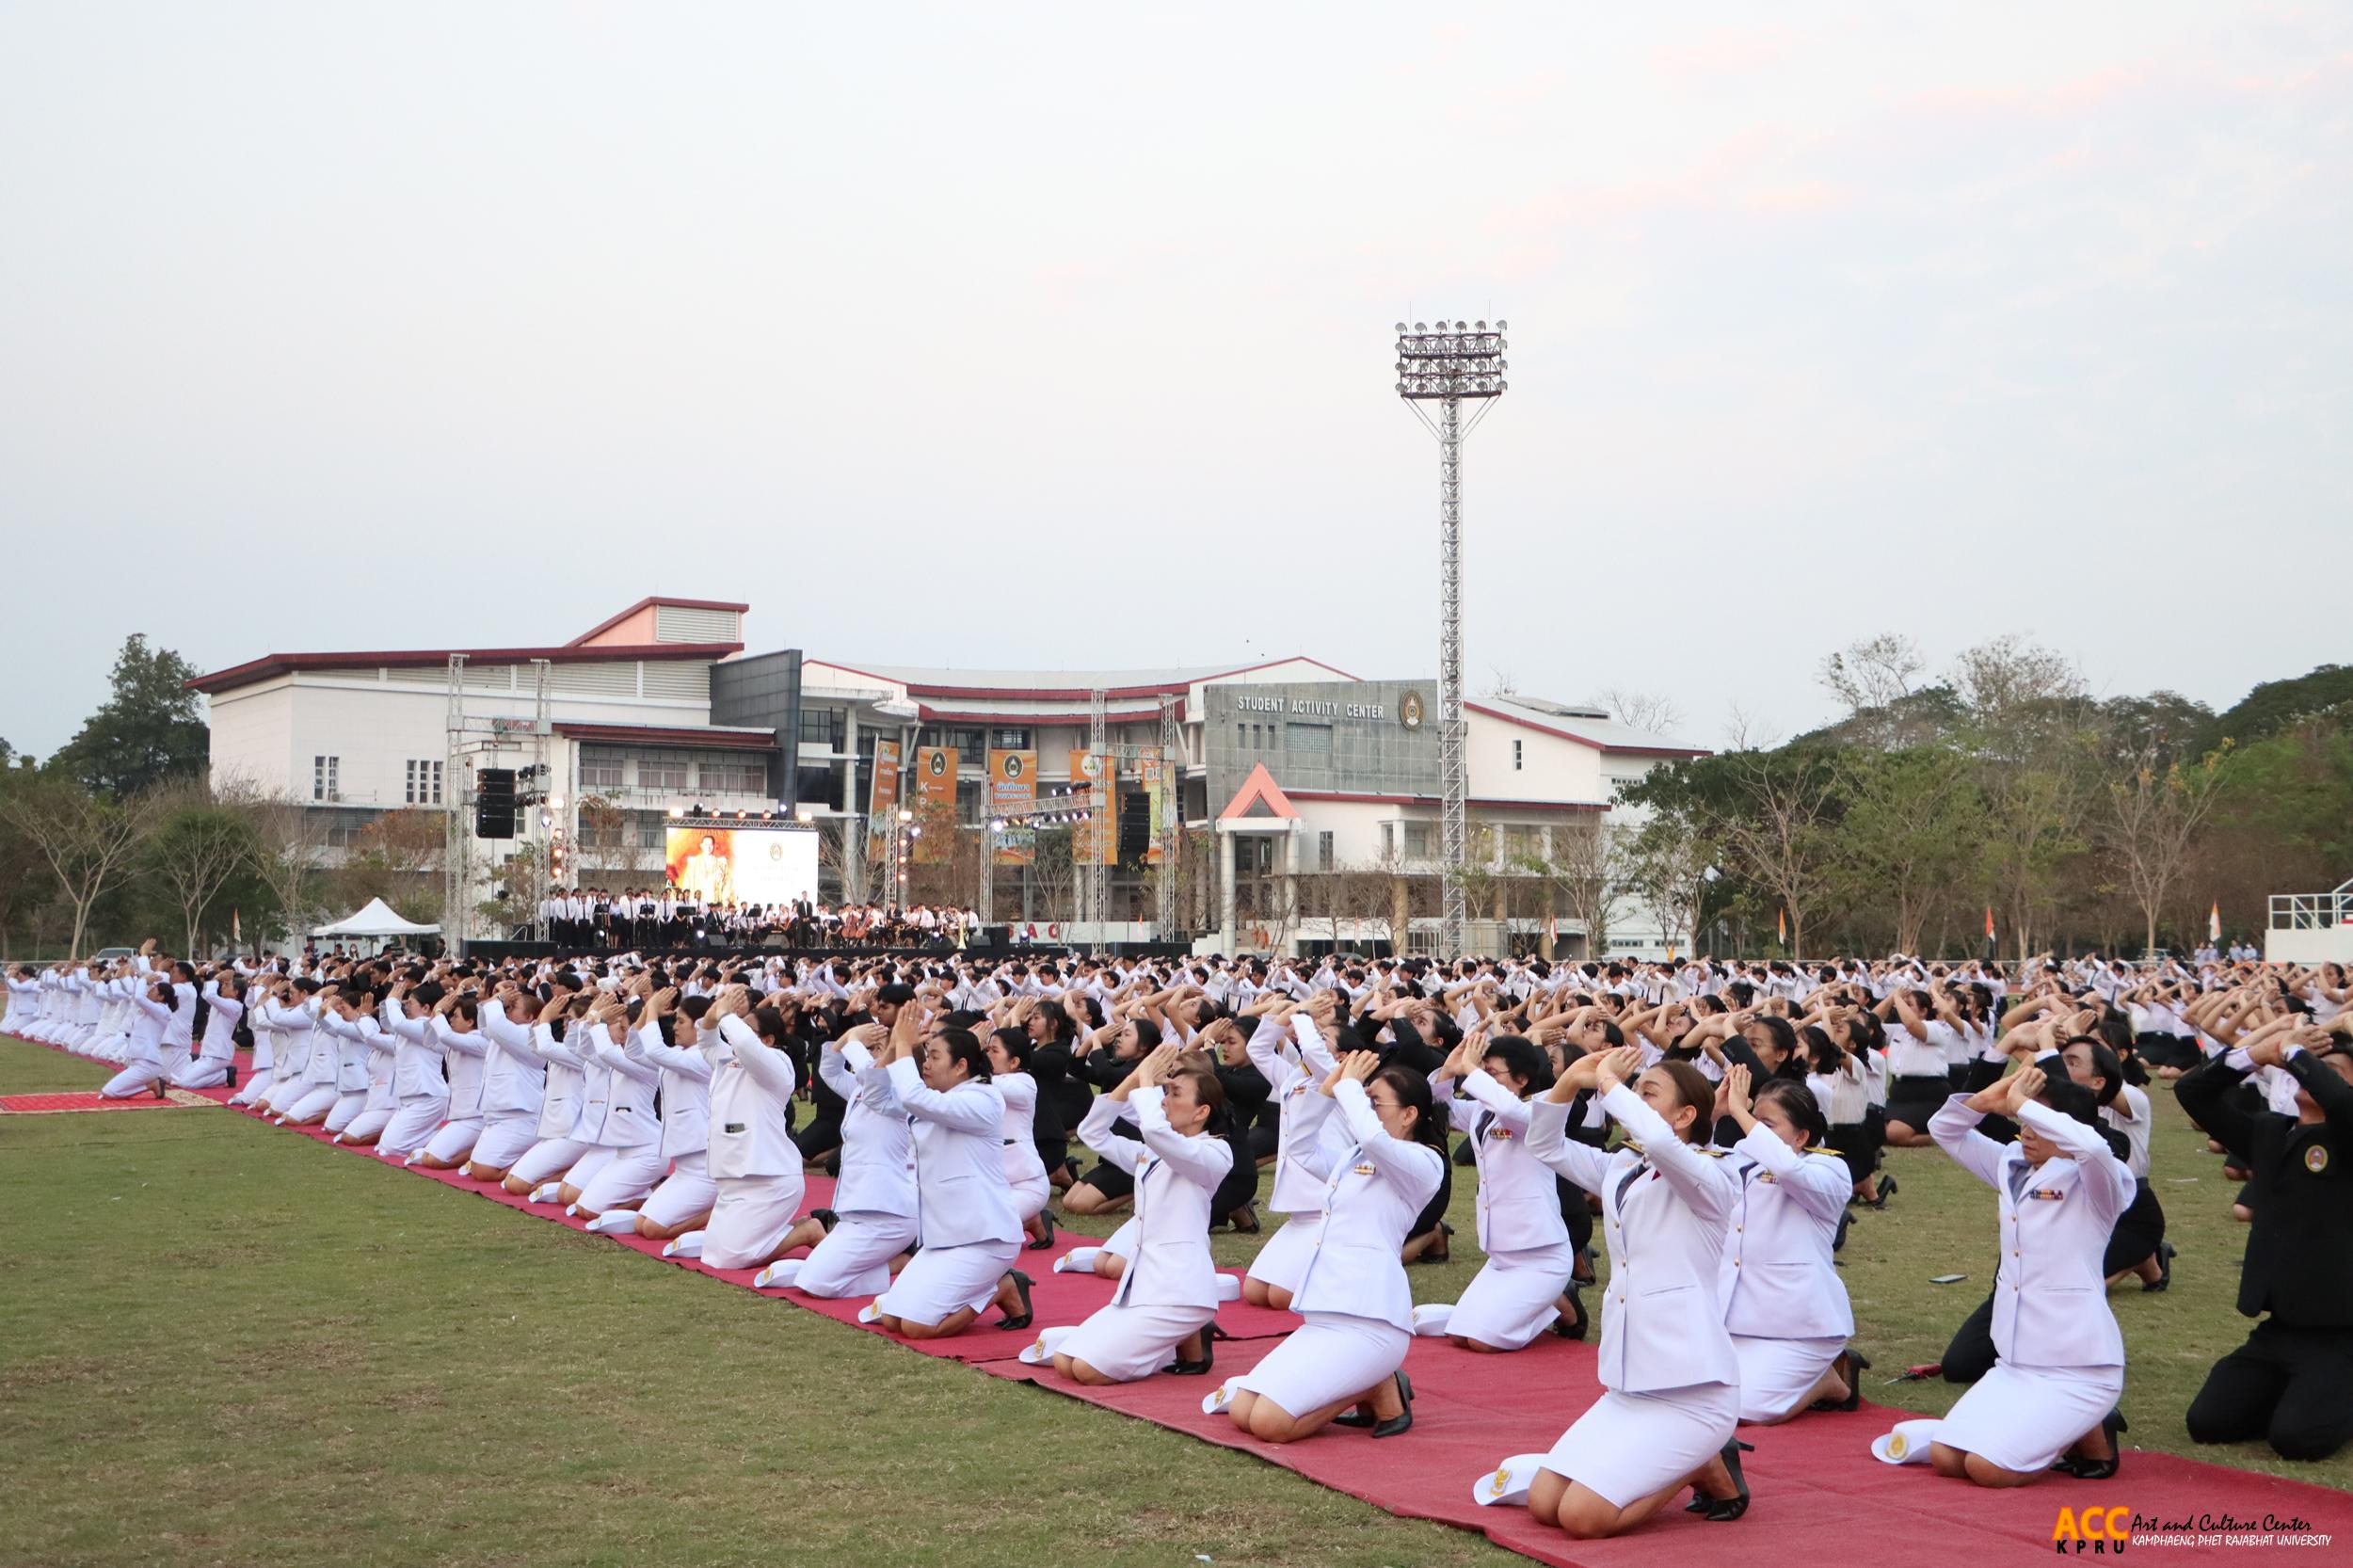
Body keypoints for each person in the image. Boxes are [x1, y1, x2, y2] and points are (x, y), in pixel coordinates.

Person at [1513, 1046, 1749, 1538]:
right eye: (1633, 1090)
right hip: (1630, 1383)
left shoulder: (1716, 1174)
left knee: (1583, 1518)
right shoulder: (1624, 1166)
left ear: (1685, 1115)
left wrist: (1609, 1086)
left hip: (1693, 1390)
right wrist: (1569, 1084)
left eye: (1647, 1092)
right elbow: (1545, 1145)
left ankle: (1702, 1463)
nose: (1629, 1099)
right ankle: (1698, 1465)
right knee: (1543, 1502)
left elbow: (1663, 1144)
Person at [1927, 1065, 2137, 1485]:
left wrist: (2024, 1103)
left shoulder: (2099, 1180)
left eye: (2036, 1121)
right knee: (1945, 1458)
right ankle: (2084, 1432)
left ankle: (2087, 1430)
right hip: (2017, 1361)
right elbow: (1944, 1130)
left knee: (1986, 1470)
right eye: (2022, 1121)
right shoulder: (2011, 1162)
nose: (2025, 1130)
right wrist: (1985, 1102)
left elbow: (2094, 1148)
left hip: (2079, 1364)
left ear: (2068, 1127)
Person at [1225, 1051, 1445, 1444]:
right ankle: (1370, 1386)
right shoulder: (1352, 1158)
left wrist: (1347, 1089)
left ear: (1409, 1115)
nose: (1365, 1104)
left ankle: (1373, 1385)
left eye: (1375, 1101)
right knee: (1243, 1410)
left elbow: (1375, 1139)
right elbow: (1302, 1150)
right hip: (1325, 1314)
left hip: (1371, 1323)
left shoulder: (1424, 1162)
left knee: (1269, 1425)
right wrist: (1325, 1095)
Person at [2179, 1026, 2353, 1461]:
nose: (2308, 1077)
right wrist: (2256, 1054)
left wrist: (2295, 1051)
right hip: (2280, 1328)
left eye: (2326, 1071)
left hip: (2340, 1332)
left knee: (2298, 1440)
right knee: (2209, 1423)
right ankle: (2306, 1393)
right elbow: (2192, 1092)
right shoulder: (2273, 1132)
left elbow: (2345, 1105)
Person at [1043, 1043, 1230, 1384]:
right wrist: (1132, 1078)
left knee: (1086, 1370)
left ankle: (1179, 1340)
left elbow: (1157, 1133)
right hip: (1143, 1289)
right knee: (1065, 1359)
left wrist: (1147, 1080)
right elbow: (1092, 1133)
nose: (1164, 1099)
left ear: (1202, 1111)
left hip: (1180, 1294)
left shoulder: (1215, 1152)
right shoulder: (1153, 1154)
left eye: (1175, 1093)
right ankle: (1178, 1345)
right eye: (1164, 1091)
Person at [858, 1010, 1034, 1338]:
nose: (925, 1063)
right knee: (892, 1319)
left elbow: (913, 1096)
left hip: (985, 1237)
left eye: (934, 1056)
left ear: (961, 1066)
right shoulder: (936, 1099)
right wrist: (894, 1049)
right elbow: (875, 1097)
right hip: (943, 1237)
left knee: (919, 1327)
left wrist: (902, 1042)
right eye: (925, 1055)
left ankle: (1001, 1287)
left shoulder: (983, 1099)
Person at [1411, 1030, 1582, 1350]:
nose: (1481, 1077)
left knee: (1484, 1341)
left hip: (1541, 1253)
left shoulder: (1542, 1110)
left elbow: (1512, 1112)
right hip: (1501, 1253)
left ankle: (1556, 1303)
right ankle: (1534, 1304)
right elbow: (1440, 1105)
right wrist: (1449, 1069)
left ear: (1521, 1079)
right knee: (1460, 1335)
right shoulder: (1484, 1112)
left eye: (1492, 1072)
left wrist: (1471, 1071)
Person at [1717, 1065, 1862, 1421]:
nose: (1752, 1131)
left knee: (1745, 1409)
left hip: (1801, 1326)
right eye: (1754, 1120)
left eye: (1767, 1125)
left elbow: (1788, 1171)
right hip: (1735, 1317)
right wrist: (1716, 1113)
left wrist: (1739, 1112)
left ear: (1801, 1137)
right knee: (1687, 1396)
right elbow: (1686, 1163)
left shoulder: (1829, 1170)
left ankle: (1829, 1379)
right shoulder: (1739, 1162)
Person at [753, 1016, 919, 1291]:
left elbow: (876, 1082)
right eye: (872, 1049)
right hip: (856, 1209)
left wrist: (873, 1044)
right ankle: (894, 1264)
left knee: (817, 1283)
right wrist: (849, 1036)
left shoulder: (902, 1097)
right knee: (810, 1276)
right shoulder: (860, 1090)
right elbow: (829, 1068)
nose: (870, 1056)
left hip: (888, 1214)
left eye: (877, 1050)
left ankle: (898, 1264)